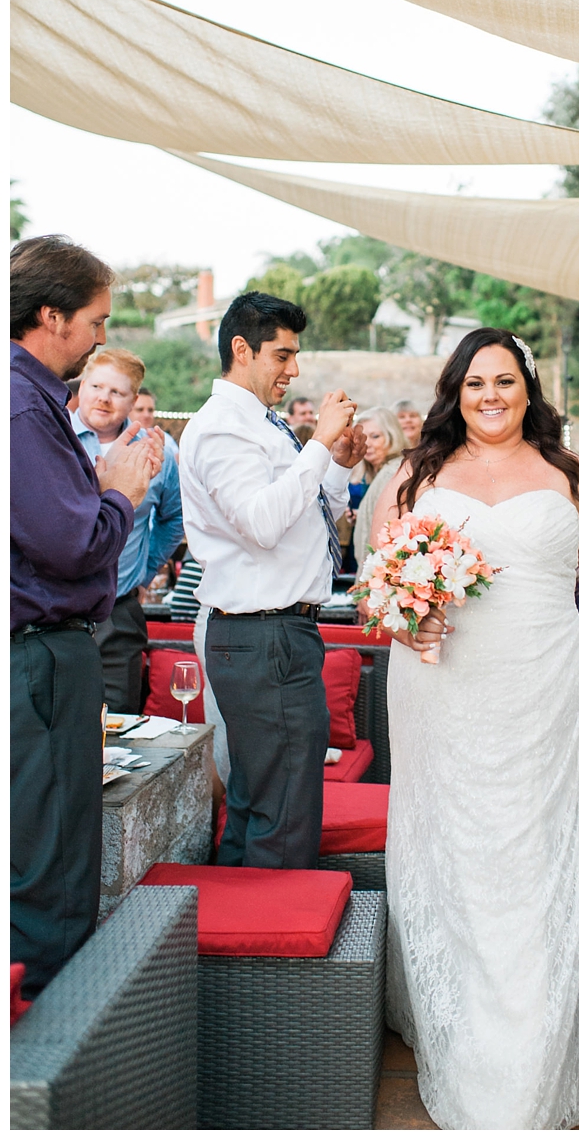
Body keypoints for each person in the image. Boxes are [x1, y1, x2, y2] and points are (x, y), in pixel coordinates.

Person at [367, 328, 579, 1130]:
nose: (491, 395)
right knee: (455, 844)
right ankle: (458, 1015)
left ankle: (529, 1043)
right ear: (456, 391)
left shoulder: (566, 470)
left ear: (529, 389)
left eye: (506, 381)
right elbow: (379, 580)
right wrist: (404, 624)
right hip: (443, 684)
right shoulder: (417, 474)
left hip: (544, 684)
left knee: (527, 851)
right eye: (475, 382)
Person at [11, 235, 163, 998]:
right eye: (96, 319)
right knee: (51, 860)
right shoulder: (20, 407)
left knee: (58, 846)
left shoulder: (31, 401)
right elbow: (73, 542)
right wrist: (119, 491)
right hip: (37, 654)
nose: (102, 334)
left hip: (50, 651)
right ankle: (45, 1043)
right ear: (52, 315)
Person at [178, 292, 365, 868]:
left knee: (261, 800)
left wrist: (335, 461)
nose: (295, 369)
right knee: (284, 811)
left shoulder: (262, 424)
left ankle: (243, 937)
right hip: (263, 637)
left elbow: (312, 518)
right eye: (283, 355)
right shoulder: (221, 430)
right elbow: (261, 525)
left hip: (277, 635)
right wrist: (315, 446)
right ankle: (277, 937)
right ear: (242, 349)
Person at [73, 349, 184, 711]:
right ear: (82, 386)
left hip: (118, 612)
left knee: (119, 727)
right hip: (53, 611)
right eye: (97, 386)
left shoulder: (156, 451)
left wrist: (144, 570)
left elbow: (173, 518)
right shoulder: (52, 436)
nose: (103, 398)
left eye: (116, 392)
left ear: (134, 400)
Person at [351, 407, 407, 563]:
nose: (367, 443)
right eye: (361, 437)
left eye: (375, 436)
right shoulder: (380, 473)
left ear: (392, 436)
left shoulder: (392, 473)